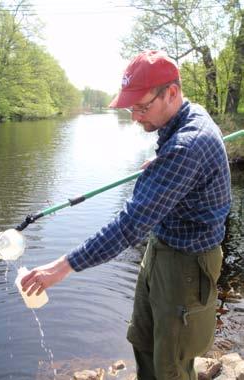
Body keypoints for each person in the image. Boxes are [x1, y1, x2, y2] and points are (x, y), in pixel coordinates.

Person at [21, 50, 231, 380]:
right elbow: (180, 166)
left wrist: (61, 267)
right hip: (160, 250)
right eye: (131, 107)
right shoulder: (185, 122)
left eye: (142, 107)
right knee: (143, 341)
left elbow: (129, 226)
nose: (134, 116)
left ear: (172, 93)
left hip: (187, 266)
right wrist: (163, 167)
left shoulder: (188, 145)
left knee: (171, 366)